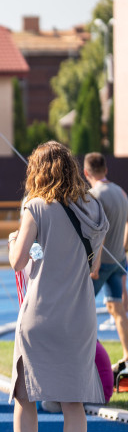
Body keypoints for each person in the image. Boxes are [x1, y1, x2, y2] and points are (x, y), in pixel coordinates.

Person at [0, 141, 107, 432]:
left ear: (37, 171)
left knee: (25, 396)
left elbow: (17, 260)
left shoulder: (36, 206)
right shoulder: (95, 208)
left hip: (41, 312)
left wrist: (13, 243)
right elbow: (93, 268)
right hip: (80, 314)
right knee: (74, 400)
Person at [83, 152, 128, 376]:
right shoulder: (121, 192)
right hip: (119, 259)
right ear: (106, 169)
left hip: (101, 263)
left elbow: (96, 234)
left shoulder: (94, 195)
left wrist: (95, 265)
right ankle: (127, 357)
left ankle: (87, 357)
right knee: (118, 311)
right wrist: (123, 250)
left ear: (86, 172)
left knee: (82, 309)